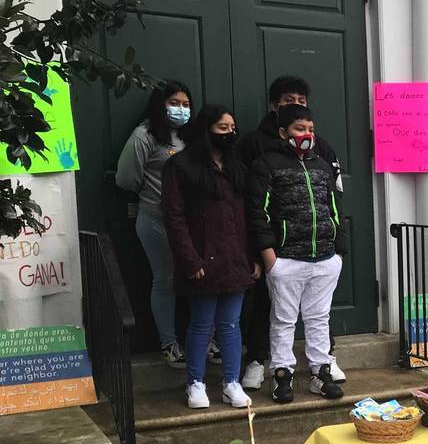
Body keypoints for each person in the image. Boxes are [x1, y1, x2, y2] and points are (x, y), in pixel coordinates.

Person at [237, 76, 345, 391]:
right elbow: (258, 212)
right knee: (282, 320)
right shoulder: (264, 161)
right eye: (299, 129)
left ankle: (320, 372)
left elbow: (334, 207)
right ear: (284, 131)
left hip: (324, 258)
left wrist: (339, 252)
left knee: (318, 318)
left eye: (310, 129)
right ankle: (281, 374)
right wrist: (270, 258)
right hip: (285, 259)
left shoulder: (322, 163)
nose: (306, 135)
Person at [160, 104, 256, 409]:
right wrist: (190, 260)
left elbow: (249, 216)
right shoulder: (181, 167)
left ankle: (231, 382)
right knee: (201, 324)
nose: (229, 134)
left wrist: (252, 256)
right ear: (206, 130)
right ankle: (196, 383)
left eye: (232, 128)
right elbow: (174, 218)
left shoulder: (237, 167)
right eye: (222, 128)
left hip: (235, 258)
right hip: (201, 259)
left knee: (231, 324)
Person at [115, 79, 195, 368]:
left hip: (192, 223)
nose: (181, 109)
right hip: (156, 220)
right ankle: (169, 343)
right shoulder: (145, 135)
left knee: (199, 280)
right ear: (160, 104)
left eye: (186, 105)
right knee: (165, 281)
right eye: (174, 103)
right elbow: (126, 178)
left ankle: (205, 340)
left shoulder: (190, 136)